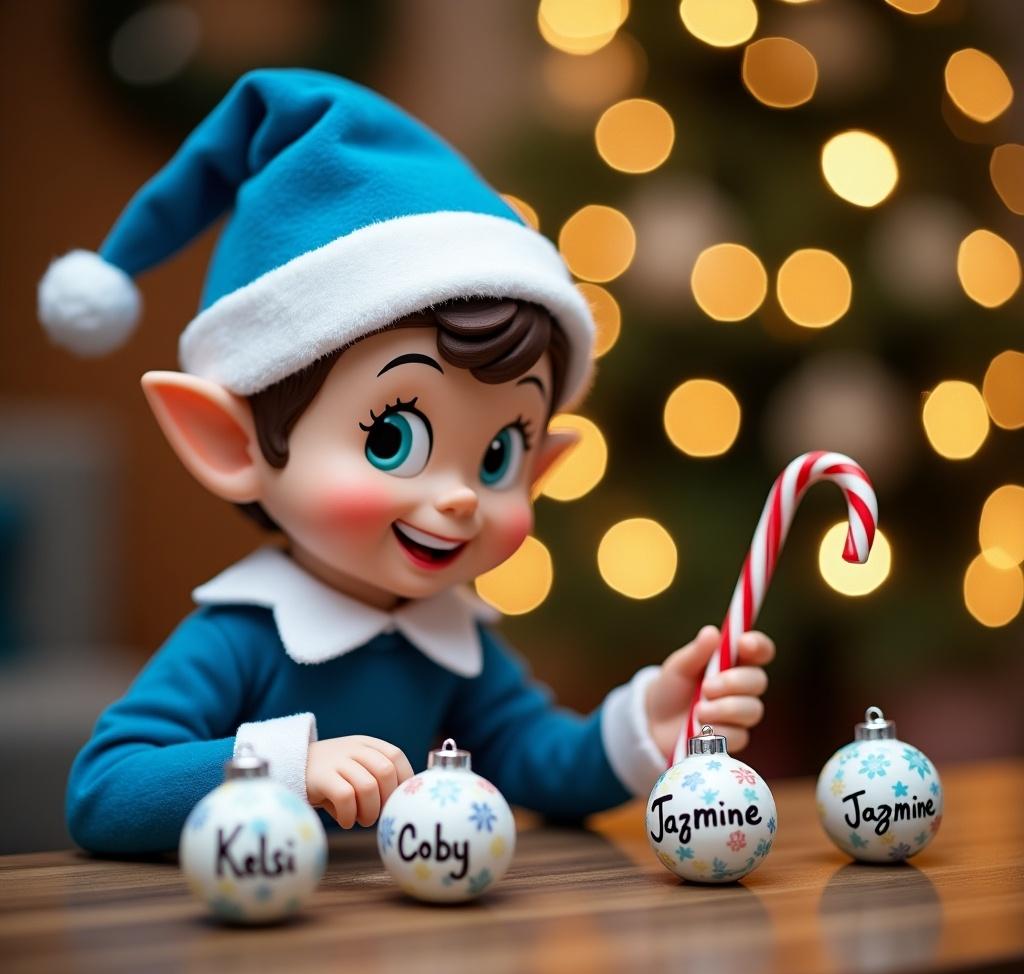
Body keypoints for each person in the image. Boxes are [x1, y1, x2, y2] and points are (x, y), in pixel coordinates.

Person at [39, 70, 773, 855]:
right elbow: (105, 789)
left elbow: (538, 763)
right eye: (393, 439)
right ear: (227, 441)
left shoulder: (449, 638)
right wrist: (287, 765)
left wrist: (644, 727)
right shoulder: (241, 639)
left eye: (498, 456)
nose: (459, 497)